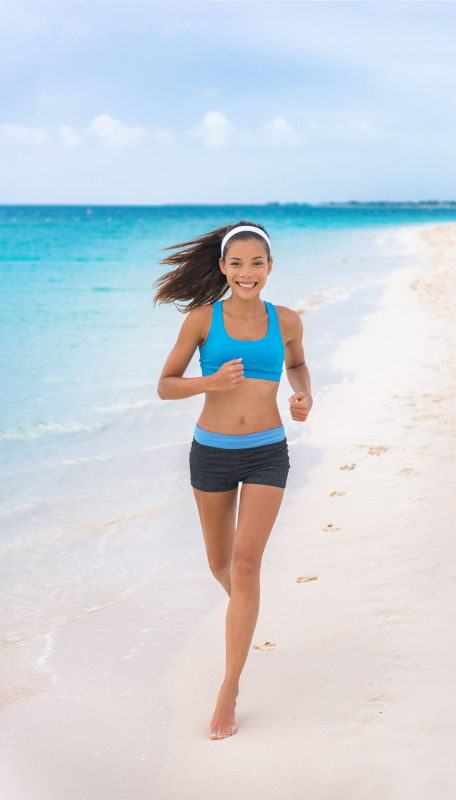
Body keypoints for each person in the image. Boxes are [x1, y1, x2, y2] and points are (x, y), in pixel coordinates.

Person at [153, 221, 313, 740]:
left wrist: (303, 396)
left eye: (257, 263)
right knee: (219, 564)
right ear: (223, 267)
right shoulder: (202, 320)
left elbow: (299, 365)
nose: (247, 273)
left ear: (270, 268)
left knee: (245, 569)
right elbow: (165, 386)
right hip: (212, 454)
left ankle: (229, 688)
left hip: (267, 451)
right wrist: (211, 381)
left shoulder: (286, 320)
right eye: (237, 264)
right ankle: (246, 616)